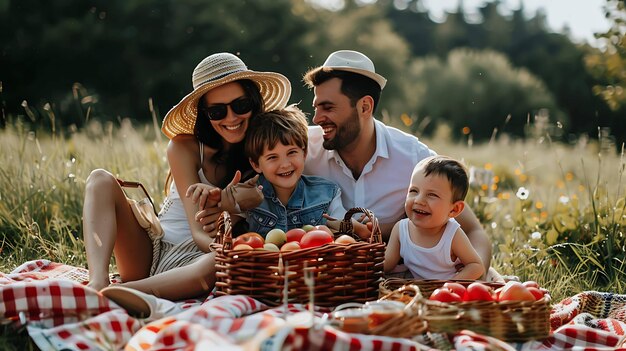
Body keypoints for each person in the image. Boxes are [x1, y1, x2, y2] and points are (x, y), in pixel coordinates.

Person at [82, 52, 291, 300]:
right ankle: (98, 282)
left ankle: (117, 295)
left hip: (200, 262)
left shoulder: (266, 156)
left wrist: (232, 215)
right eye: (217, 112)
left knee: (223, 256)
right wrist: (227, 217)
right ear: (205, 114)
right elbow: (198, 231)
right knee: (99, 179)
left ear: (254, 103)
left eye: (240, 105)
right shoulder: (185, 147)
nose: (232, 118)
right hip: (153, 251)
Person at [301, 50, 494, 277]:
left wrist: (470, 278)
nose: (316, 118)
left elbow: (473, 231)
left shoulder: (414, 157)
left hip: (400, 284)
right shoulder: (301, 150)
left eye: (328, 107)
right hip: (326, 281)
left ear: (365, 107)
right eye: (316, 107)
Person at [189, 105, 369, 238]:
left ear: (304, 153)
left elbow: (339, 221)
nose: (285, 164)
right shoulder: (250, 193)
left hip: (315, 271)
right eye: (272, 157)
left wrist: (353, 227)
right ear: (256, 164)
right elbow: (227, 215)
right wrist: (217, 200)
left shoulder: (326, 192)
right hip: (264, 275)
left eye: (291, 153)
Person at [384, 155, 484, 280]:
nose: (419, 200)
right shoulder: (400, 230)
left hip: (447, 294)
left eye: (432, 195)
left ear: (454, 209)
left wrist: (449, 286)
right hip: (419, 292)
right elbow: (387, 264)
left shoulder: (452, 234)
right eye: (414, 191)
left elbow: (476, 266)